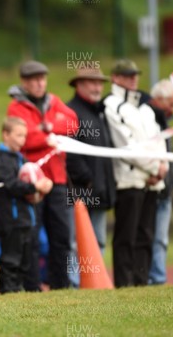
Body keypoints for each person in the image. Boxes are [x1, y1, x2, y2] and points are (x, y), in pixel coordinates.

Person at [6, 60, 79, 290]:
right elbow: (25, 138)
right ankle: (33, 286)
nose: (39, 83)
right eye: (34, 80)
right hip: (33, 182)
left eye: (42, 79)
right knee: (33, 237)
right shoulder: (16, 108)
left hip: (57, 180)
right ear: (24, 83)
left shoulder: (54, 101)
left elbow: (72, 124)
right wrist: (48, 133)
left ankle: (61, 284)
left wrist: (47, 129)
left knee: (62, 236)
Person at [103, 59, 168, 288]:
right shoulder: (111, 105)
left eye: (135, 74)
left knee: (146, 235)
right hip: (129, 181)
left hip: (152, 182)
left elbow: (158, 140)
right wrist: (153, 167)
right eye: (127, 75)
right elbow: (126, 145)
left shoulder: (146, 109)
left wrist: (162, 168)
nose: (133, 79)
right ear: (116, 78)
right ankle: (125, 283)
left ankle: (141, 281)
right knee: (126, 236)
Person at [0, 117, 53, 293]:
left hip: (25, 218)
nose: (22, 140)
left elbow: (34, 177)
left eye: (24, 136)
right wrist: (34, 186)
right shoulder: (2, 159)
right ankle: (8, 290)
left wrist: (44, 185)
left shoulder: (20, 158)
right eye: (18, 135)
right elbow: (11, 184)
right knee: (11, 258)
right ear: (6, 135)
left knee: (26, 258)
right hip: (11, 219)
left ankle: (21, 289)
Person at [66, 67, 115, 254]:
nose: (98, 88)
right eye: (93, 83)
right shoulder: (71, 111)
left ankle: (97, 283)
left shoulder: (99, 112)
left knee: (99, 241)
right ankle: (75, 283)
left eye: (100, 83)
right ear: (79, 85)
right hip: (79, 190)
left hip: (100, 189)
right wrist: (88, 178)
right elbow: (69, 152)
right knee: (77, 242)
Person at [146, 79, 173, 285]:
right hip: (150, 188)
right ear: (159, 100)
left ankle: (158, 277)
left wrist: (171, 179)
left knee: (161, 239)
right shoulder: (147, 118)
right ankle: (150, 277)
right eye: (171, 104)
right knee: (151, 237)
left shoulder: (166, 121)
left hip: (165, 190)